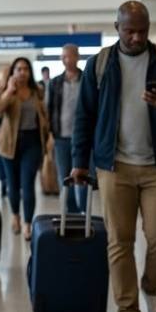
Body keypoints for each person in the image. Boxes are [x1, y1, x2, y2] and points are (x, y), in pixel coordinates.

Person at [71, 1, 156, 312]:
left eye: (143, 31)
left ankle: (152, 287)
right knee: (119, 241)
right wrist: (79, 162)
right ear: (117, 28)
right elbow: (83, 116)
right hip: (114, 167)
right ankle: (128, 307)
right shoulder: (99, 64)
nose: (137, 38)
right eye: (130, 31)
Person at [0, 56, 49, 241]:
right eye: (18, 69)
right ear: (13, 72)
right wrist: (8, 91)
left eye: (25, 69)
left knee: (27, 183)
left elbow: (44, 115)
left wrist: (48, 136)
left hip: (32, 142)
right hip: (8, 143)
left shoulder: (37, 91)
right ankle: (15, 215)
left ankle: (27, 224)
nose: (22, 72)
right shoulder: (7, 90)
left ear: (30, 72)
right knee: (12, 184)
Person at [47, 44, 87, 213]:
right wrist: (50, 134)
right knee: (65, 176)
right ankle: (71, 213)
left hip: (84, 138)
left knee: (84, 177)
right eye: (63, 57)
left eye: (70, 56)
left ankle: (84, 211)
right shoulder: (55, 82)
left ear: (77, 57)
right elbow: (50, 110)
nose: (66, 60)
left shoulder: (87, 80)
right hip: (61, 137)